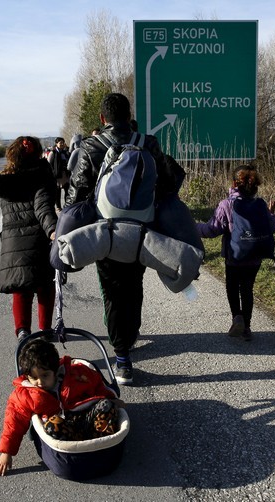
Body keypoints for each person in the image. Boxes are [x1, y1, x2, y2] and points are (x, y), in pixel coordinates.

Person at [65, 92, 175, 385]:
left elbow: (77, 193)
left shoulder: (91, 146)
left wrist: (67, 227)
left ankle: (123, 358)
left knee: (112, 291)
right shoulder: (148, 143)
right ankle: (131, 333)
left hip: (106, 234)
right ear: (129, 116)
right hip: (142, 230)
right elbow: (165, 182)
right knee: (135, 284)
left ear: (102, 119)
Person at [0, 339, 125, 476]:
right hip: (65, 429)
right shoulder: (26, 394)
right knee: (52, 426)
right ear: (27, 376)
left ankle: (101, 443)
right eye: (34, 378)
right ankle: (80, 451)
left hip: (86, 419)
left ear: (56, 371)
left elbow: (97, 385)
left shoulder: (77, 374)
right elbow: (14, 421)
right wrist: (6, 452)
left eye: (45, 375)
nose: (40, 382)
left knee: (106, 405)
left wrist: (113, 399)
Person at [196, 165, 275, 341]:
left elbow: (212, 230)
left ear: (234, 183)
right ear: (255, 185)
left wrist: (192, 227)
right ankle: (247, 327)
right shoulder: (261, 204)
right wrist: (272, 215)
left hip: (235, 256)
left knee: (232, 287)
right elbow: (272, 227)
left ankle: (237, 318)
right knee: (247, 289)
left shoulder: (227, 205)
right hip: (255, 256)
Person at [0, 136, 58, 342]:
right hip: (38, 240)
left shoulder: (6, 179)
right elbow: (43, 208)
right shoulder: (40, 176)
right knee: (45, 287)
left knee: (21, 289)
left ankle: (23, 331)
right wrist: (53, 231)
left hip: (12, 242)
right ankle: (45, 332)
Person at [47, 137, 70, 211]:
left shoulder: (65, 152)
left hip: (65, 174)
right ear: (56, 144)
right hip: (57, 175)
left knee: (67, 190)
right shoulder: (52, 153)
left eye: (63, 142)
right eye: (60, 143)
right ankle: (58, 207)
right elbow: (49, 164)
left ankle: (67, 205)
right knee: (57, 192)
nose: (62, 144)